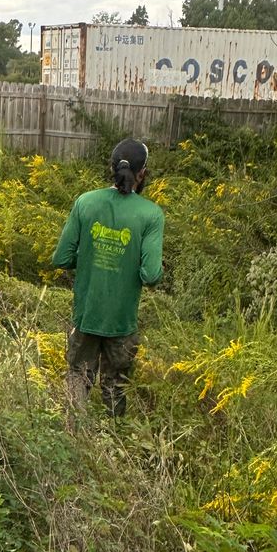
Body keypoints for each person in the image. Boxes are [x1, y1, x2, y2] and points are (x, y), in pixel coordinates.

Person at [51, 137, 164, 417]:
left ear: (110, 168)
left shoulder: (85, 202)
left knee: (78, 376)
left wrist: (90, 257)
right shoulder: (151, 214)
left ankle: (74, 437)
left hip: (86, 316)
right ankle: (115, 440)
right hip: (122, 324)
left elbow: (61, 258)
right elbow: (151, 275)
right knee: (116, 387)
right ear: (142, 174)